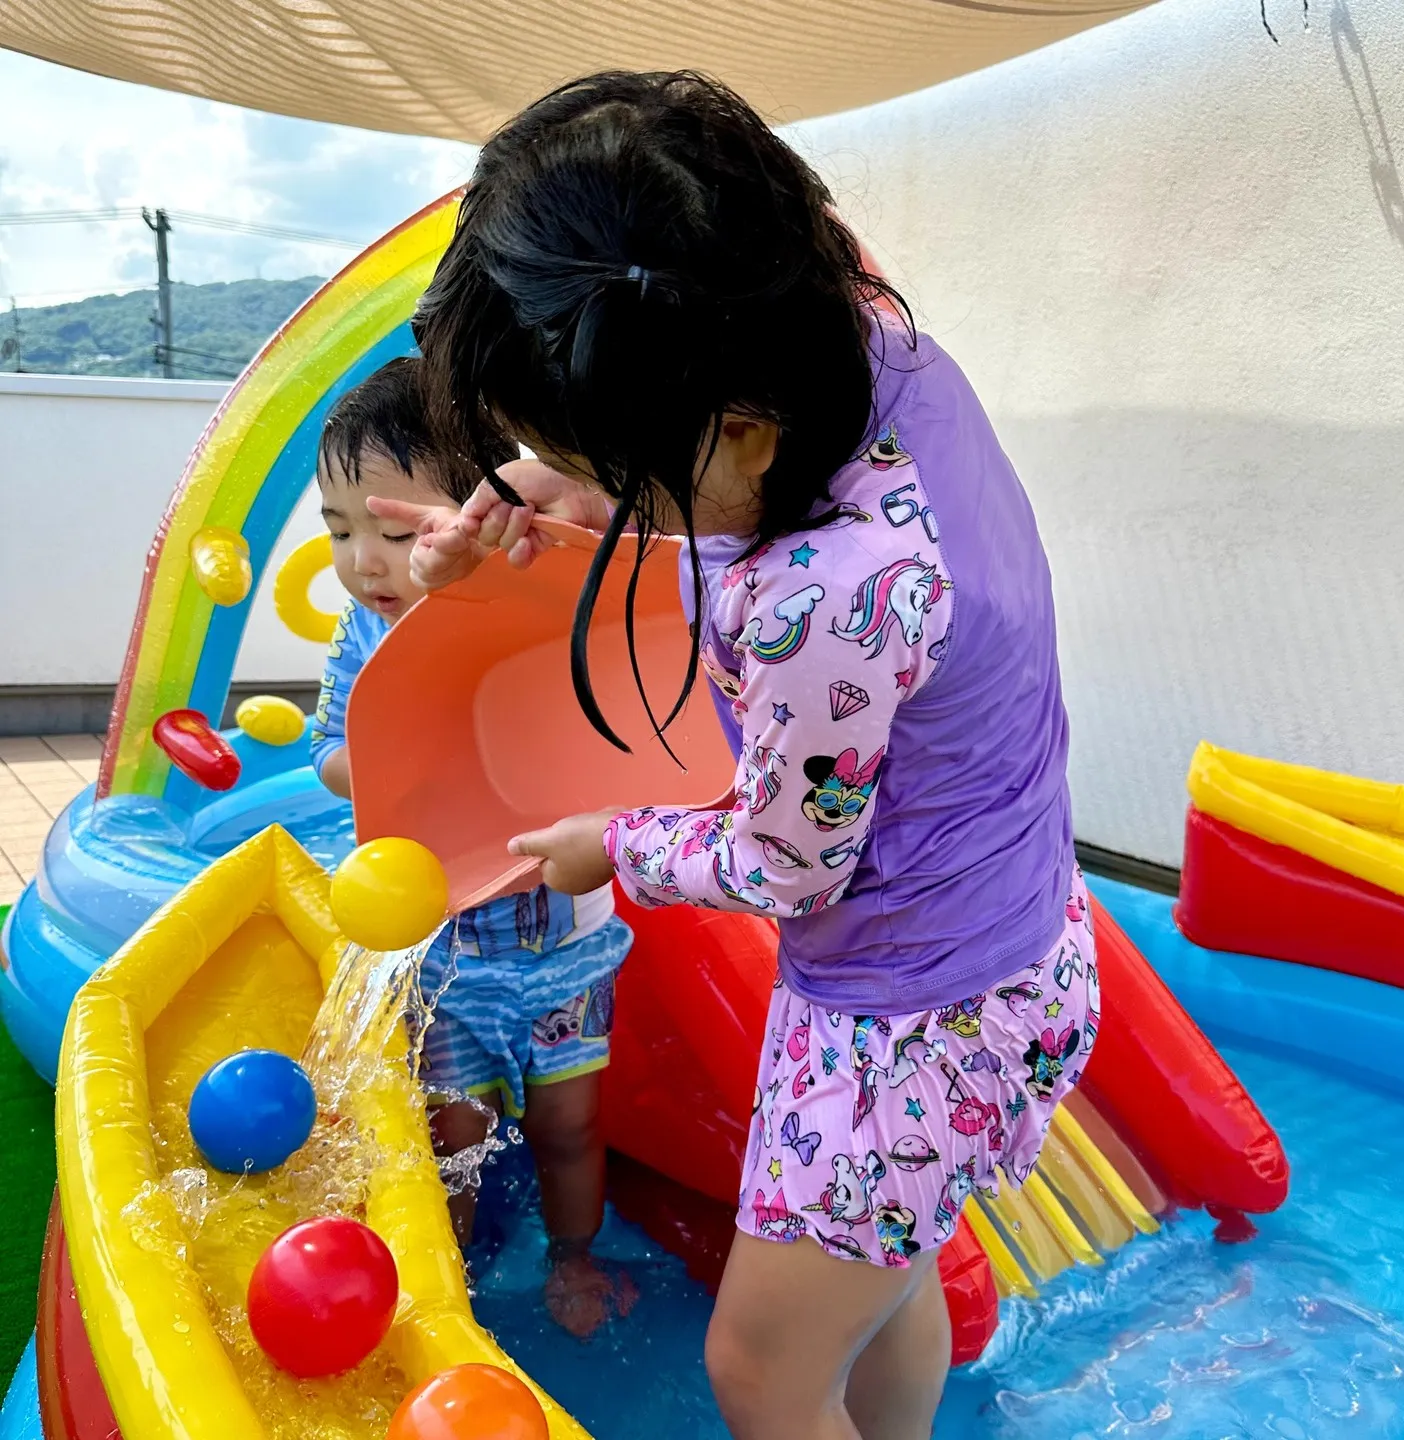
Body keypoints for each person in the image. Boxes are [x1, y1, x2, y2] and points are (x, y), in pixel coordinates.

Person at [373, 72, 1098, 1439]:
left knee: (761, 1374)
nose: (604, 493)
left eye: (613, 465)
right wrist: (536, 482)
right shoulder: (866, 343)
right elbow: (701, 430)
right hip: (1012, 942)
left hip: (908, 1026)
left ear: (742, 430)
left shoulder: (832, 594)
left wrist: (617, 842)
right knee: (881, 1281)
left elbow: (783, 864)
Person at [310, 356, 635, 1338]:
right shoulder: (360, 638)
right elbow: (329, 752)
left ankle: (575, 1260)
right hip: (445, 955)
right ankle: (453, 1294)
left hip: (562, 949)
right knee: (454, 1136)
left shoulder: (540, 622)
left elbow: (612, 751)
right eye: (338, 532)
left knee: (570, 1127)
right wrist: (401, 760)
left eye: (395, 531)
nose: (365, 561)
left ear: (487, 518)